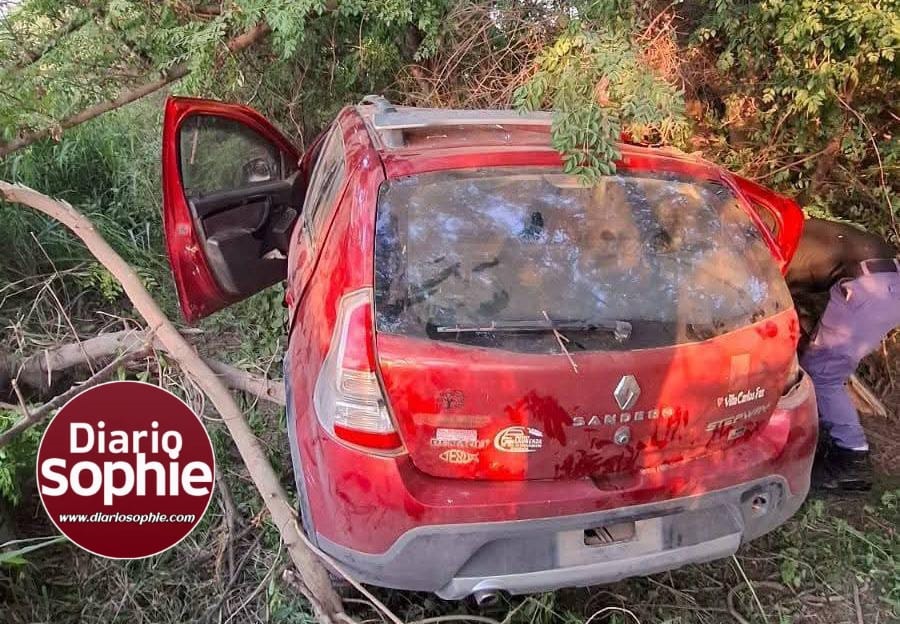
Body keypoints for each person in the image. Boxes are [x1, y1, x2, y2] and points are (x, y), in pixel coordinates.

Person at [785, 217, 900, 491]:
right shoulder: (785, 227)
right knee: (819, 364)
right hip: (883, 281)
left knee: (824, 374)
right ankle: (823, 437)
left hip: (870, 287)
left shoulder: (761, 249)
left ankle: (851, 458)